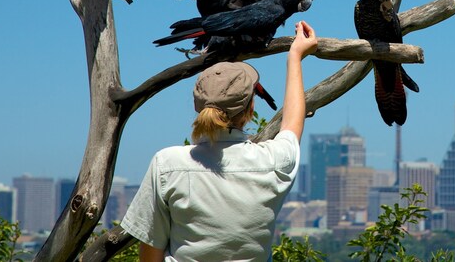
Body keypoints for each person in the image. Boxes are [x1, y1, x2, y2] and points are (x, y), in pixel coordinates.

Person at [121, 21, 319, 261]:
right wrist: (295, 56)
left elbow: (150, 257)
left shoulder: (166, 165)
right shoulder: (274, 162)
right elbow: (292, 122)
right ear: (250, 109)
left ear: (198, 108)